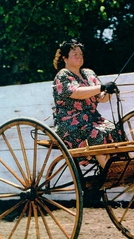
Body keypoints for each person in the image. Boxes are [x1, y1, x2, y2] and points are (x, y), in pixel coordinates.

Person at [52, 39, 123, 169]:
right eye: (75, 54)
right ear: (65, 58)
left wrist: (108, 91)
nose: (79, 57)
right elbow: (76, 92)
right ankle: (111, 171)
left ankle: (119, 169)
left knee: (115, 130)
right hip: (70, 123)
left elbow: (101, 98)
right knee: (96, 134)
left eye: (81, 54)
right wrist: (101, 87)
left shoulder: (89, 73)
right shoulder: (62, 75)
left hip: (92, 119)